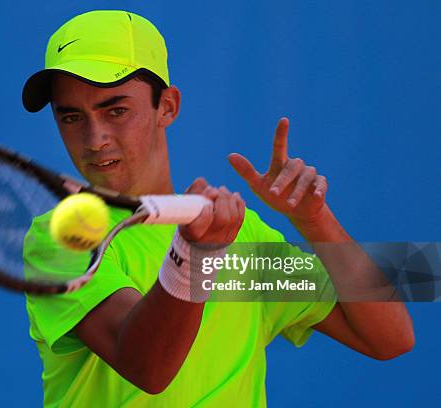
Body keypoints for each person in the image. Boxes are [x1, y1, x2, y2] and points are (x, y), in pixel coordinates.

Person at [21, 10, 414, 407]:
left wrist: (313, 218)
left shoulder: (243, 240)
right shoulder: (62, 236)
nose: (94, 138)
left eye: (115, 110)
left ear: (168, 107)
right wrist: (195, 257)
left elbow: (390, 338)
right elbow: (147, 367)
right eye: (71, 117)